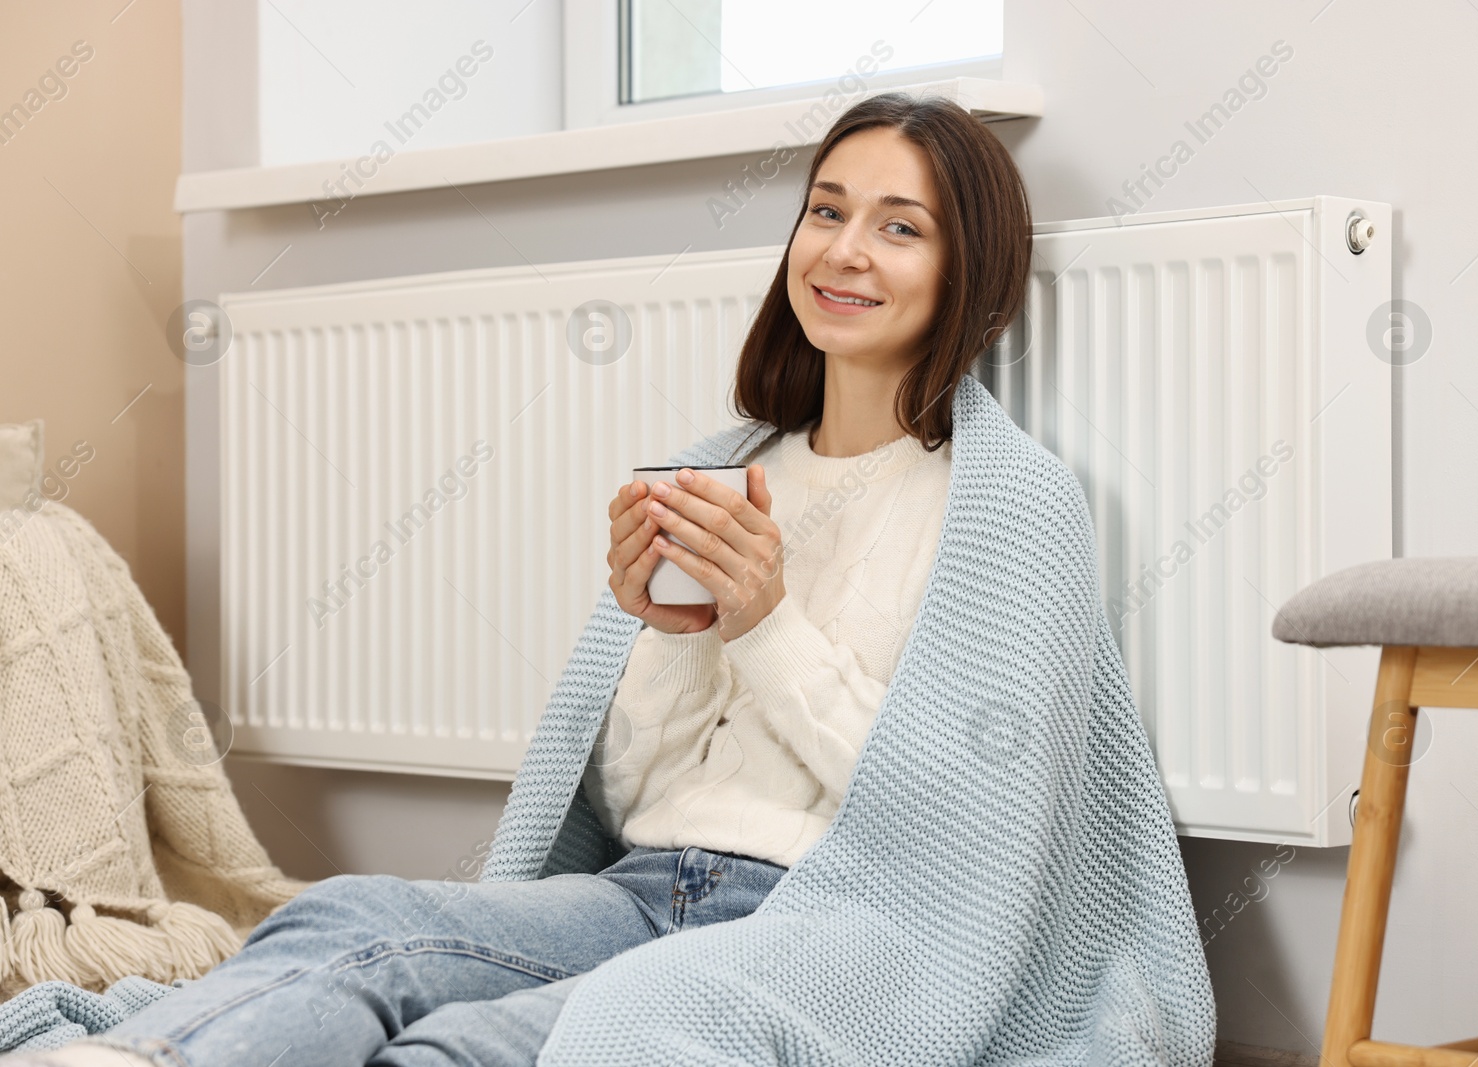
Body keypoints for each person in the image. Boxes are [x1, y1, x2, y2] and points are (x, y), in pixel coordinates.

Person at [10, 88, 1032, 1067]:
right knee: (353, 916)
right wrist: (672, 637)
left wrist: (764, 624)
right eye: (825, 210)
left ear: (966, 266)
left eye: (900, 227)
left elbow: (952, 813)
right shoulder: (731, 467)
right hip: (642, 885)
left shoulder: (996, 504)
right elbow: (636, 794)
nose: (843, 249)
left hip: (814, 922)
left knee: (465, 1046)